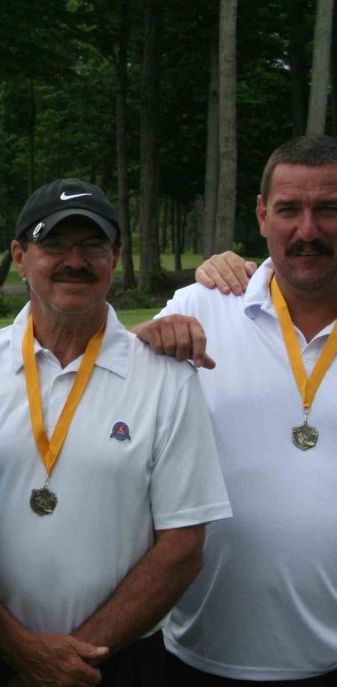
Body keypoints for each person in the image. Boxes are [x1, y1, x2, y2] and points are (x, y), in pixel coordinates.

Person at [0, 179, 232, 687]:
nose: (75, 261)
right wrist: (18, 647)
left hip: (118, 659)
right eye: (54, 244)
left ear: (115, 257)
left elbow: (183, 547)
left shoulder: (168, 379)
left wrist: (73, 659)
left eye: (92, 245)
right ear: (20, 257)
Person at [137, 135, 337, 684]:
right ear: (262, 215)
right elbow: (109, 382)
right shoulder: (204, 305)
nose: (308, 230)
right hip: (200, 648)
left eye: (329, 209)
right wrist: (146, 336)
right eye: (289, 209)